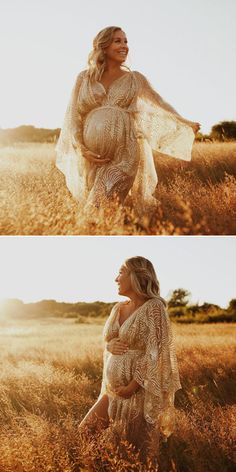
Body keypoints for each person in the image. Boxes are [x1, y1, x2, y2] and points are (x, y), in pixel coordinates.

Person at [56, 26, 200, 215]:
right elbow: (73, 117)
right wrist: (82, 148)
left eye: (126, 41)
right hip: (92, 157)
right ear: (103, 46)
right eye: (118, 41)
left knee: (95, 207)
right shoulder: (84, 78)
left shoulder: (135, 79)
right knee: (105, 210)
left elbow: (160, 103)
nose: (125, 45)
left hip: (125, 153)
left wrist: (184, 122)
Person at [79, 256, 181, 463]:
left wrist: (133, 386)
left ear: (136, 276)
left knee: (137, 453)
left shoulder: (154, 308)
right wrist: (109, 346)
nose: (116, 278)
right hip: (114, 390)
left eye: (121, 272)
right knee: (86, 431)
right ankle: (98, 466)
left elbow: (157, 353)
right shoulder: (118, 308)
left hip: (139, 392)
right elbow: (109, 342)